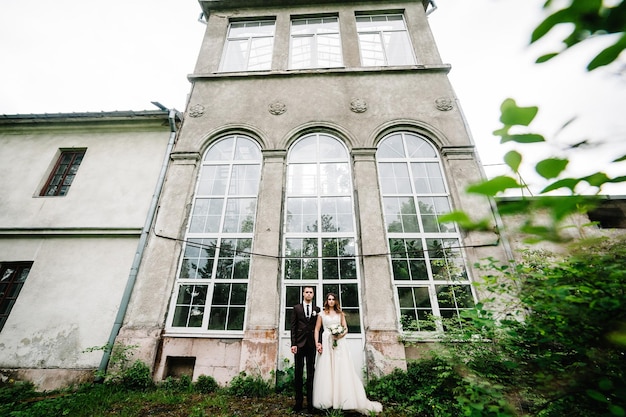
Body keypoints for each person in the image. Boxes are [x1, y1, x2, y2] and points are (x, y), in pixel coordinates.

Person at [312, 293, 382, 415]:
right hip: (326, 343)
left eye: (333, 299)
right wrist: (317, 343)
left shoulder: (340, 314)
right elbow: (317, 329)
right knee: (327, 370)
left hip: (339, 344)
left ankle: (343, 400)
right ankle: (327, 401)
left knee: (341, 369)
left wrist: (339, 335)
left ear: (336, 301)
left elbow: (346, 328)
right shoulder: (321, 314)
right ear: (326, 301)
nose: (331, 301)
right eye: (329, 299)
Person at [290, 286, 321, 413]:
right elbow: (293, 327)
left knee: (311, 374)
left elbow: (319, 328)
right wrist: (293, 344)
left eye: (311, 292)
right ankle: (298, 403)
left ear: (313, 294)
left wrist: (319, 343)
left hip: (311, 345)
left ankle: (310, 404)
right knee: (298, 373)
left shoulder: (317, 309)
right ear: (303, 294)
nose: (308, 294)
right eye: (306, 292)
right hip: (299, 344)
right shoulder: (296, 308)